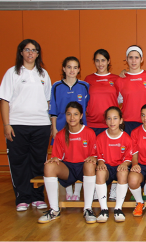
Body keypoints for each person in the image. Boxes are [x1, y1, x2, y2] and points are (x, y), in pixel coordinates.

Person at [0, 39, 51, 212]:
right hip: (17, 125)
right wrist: (7, 124)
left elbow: (49, 102)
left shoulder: (43, 75)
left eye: (34, 50)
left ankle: (37, 197)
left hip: (41, 125)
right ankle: (22, 197)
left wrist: (50, 124)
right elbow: (4, 101)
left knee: (38, 162)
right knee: (18, 162)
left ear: (37, 54)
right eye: (27, 50)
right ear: (21, 52)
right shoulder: (12, 73)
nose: (30, 53)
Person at [38, 102, 97, 224]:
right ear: (65, 116)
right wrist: (54, 160)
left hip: (84, 168)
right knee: (49, 166)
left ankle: (88, 209)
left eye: (75, 114)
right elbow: (57, 157)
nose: (72, 117)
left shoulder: (89, 132)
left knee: (90, 164)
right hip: (68, 169)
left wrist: (93, 158)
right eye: (69, 114)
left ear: (81, 116)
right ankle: (54, 210)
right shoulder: (60, 135)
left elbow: (94, 155)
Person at [49, 56, 90, 201]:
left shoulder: (85, 86)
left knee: (79, 156)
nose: (72, 70)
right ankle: (68, 189)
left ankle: (77, 191)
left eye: (75, 67)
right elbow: (53, 109)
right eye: (69, 67)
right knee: (64, 157)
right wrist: (54, 128)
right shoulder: (56, 86)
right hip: (61, 127)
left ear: (79, 70)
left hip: (79, 129)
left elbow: (87, 107)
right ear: (64, 69)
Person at [84, 49, 120, 201]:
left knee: (115, 157)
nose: (100, 64)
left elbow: (121, 100)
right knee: (94, 158)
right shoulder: (88, 79)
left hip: (111, 125)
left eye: (103, 60)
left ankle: (114, 189)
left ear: (108, 62)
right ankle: (95, 189)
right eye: (97, 60)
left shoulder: (116, 79)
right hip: (93, 124)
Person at [94, 106, 133, 223]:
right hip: (107, 167)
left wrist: (125, 164)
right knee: (100, 172)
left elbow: (129, 157)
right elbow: (98, 155)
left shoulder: (126, 138)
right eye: (109, 118)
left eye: (115, 118)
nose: (112, 121)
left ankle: (118, 208)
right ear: (105, 121)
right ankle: (104, 209)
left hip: (120, 166)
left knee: (123, 172)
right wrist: (100, 161)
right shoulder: (100, 137)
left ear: (121, 120)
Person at [116, 45, 146, 136]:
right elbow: (116, 101)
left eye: (136, 57)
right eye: (130, 57)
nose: (133, 61)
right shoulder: (120, 80)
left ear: (141, 59)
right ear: (126, 59)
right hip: (128, 123)